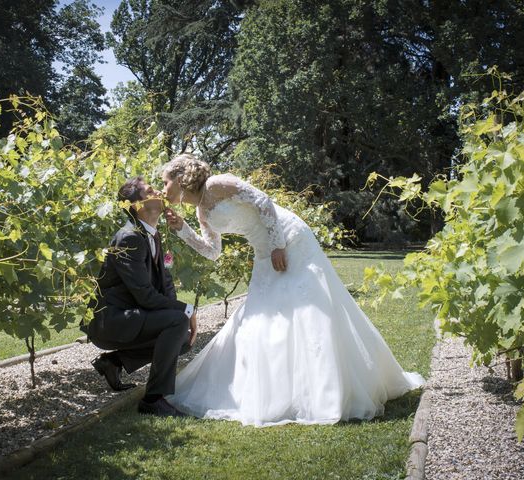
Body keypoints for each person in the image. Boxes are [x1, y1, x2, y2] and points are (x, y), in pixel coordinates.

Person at [161, 153, 425, 427]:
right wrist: (182, 229)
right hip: (264, 252)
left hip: (289, 238)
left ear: (181, 179)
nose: (163, 189)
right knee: (266, 316)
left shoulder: (217, 183)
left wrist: (278, 244)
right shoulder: (201, 212)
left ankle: (330, 391)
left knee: (308, 307)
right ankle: (283, 390)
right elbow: (212, 252)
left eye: (166, 182)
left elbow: (262, 201)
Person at [87, 176, 197, 417]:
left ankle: (115, 362)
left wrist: (181, 312)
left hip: (134, 315)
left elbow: (165, 284)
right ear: (137, 205)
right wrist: (186, 311)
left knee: (183, 338)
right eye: (150, 191)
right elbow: (146, 296)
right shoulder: (129, 238)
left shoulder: (154, 235)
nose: (158, 191)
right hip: (112, 320)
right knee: (177, 323)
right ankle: (153, 399)